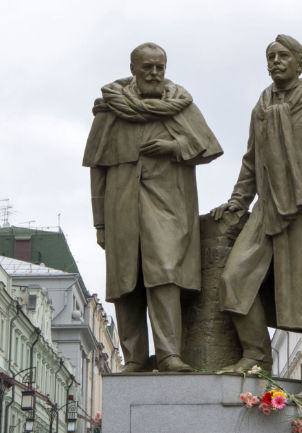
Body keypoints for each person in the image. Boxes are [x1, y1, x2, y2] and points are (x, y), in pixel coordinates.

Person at [212, 34, 302, 404]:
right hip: (268, 207)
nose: (275, 61)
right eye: (270, 56)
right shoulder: (261, 107)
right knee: (235, 277)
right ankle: (256, 356)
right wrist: (236, 202)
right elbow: (251, 161)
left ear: (299, 63)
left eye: (282, 56)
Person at [84, 42, 223, 372]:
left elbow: (208, 147)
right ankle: (133, 357)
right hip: (121, 208)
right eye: (147, 67)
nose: (155, 73)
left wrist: (172, 146)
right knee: (125, 282)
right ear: (133, 68)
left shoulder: (179, 105)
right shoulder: (111, 110)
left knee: (164, 277)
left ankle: (168, 353)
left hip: (167, 205)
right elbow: (97, 170)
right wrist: (100, 223)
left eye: (160, 67)